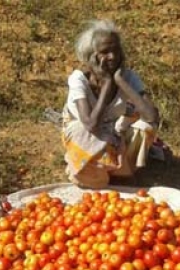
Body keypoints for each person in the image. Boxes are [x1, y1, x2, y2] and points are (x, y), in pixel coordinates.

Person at [61, 19, 160, 189]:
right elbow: (91, 125)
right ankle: (93, 171)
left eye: (116, 50)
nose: (112, 57)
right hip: (88, 133)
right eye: (105, 52)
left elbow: (152, 116)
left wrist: (120, 81)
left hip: (112, 132)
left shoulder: (127, 77)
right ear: (91, 56)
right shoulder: (79, 79)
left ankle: (119, 170)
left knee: (146, 126)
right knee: (80, 130)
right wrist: (107, 85)